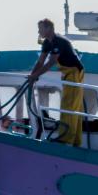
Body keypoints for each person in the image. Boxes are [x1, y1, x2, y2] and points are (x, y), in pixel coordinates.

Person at [27, 18, 85, 146]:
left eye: (40, 28)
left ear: (49, 28)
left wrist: (36, 75)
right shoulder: (47, 42)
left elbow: (51, 62)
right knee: (67, 105)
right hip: (66, 73)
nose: (39, 31)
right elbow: (40, 61)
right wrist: (32, 76)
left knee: (69, 106)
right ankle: (72, 139)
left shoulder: (59, 42)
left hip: (74, 72)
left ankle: (68, 140)